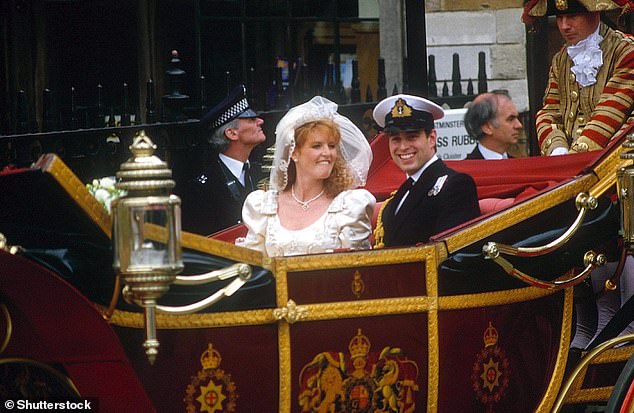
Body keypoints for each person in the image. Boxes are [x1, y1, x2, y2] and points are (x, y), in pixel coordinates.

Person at [235, 96, 375, 257]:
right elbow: (254, 269)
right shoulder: (264, 206)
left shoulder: (349, 206)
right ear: (294, 153)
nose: (327, 153)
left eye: (331, 146)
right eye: (316, 146)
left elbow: (357, 271)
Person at [522, 0, 634, 155]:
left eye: (572, 16)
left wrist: (576, 155)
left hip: (611, 158)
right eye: (560, 18)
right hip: (569, 162)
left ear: (595, 13)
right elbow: (550, 112)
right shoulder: (560, 60)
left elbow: (612, 110)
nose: (564, 26)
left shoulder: (625, 51)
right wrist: (557, 149)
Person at [372, 94, 481, 248]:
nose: (403, 147)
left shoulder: (456, 186)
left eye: (412, 137)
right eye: (396, 139)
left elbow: (455, 256)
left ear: (432, 138)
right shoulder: (401, 193)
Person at [179, 84, 266, 235]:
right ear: (232, 133)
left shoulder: (262, 173)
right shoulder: (203, 188)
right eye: (251, 119)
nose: (260, 121)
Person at [463, 91, 523, 159]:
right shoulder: (465, 168)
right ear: (487, 127)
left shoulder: (519, 166)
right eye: (510, 119)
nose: (519, 125)